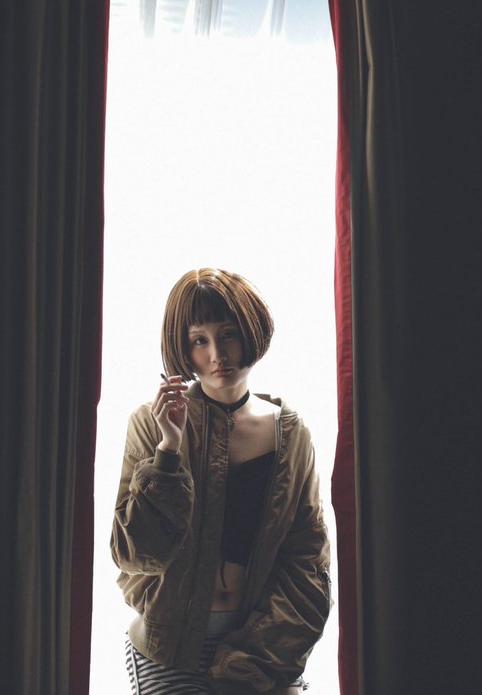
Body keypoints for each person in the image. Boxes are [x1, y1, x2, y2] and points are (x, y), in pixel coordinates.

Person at [112, 268, 331, 694]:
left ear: (251, 332)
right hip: (171, 649)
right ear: (183, 347)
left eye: (228, 334)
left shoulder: (290, 433)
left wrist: (254, 661)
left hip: (264, 647)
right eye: (199, 340)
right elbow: (135, 555)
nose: (217, 354)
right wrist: (168, 449)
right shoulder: (151, 424)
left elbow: (307, 562)